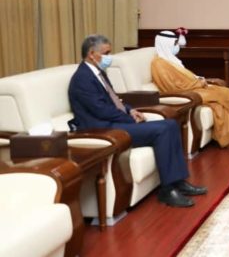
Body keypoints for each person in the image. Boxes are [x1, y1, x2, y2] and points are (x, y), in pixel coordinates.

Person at [68, 34, 206, 208]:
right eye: (106, 53)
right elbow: (101, 110)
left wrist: (130, 110)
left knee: (171, 124)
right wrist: (129, 119)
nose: (110, 57)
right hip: (103, 130)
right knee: (162, 130)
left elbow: (114, 99)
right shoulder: (82, 78)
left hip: (114, 122)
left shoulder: (97, 73)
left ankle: (178, 182)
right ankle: (167, 190)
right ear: (91, 54)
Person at [150, 30, 229, 149]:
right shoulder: (158, 64)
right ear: (165, 44)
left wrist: (202, 80)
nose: (177, 46)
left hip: (194, 87)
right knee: (220, 99)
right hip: (186, 93)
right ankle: (227, 139)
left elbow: (187, 77)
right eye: (175, 43)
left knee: (226, 94)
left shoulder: (171, 60)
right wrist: (198, 83)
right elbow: (172, 87)